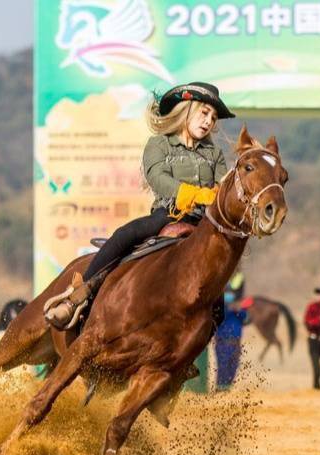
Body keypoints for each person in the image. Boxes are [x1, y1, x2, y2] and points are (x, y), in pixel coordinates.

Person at [44, 82, 235, 329]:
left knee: (217, 309)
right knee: (127, 234)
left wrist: (221, 195)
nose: (209, 121)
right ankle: (77, 296)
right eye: (204, 113)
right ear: (185, 110)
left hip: (204, 225)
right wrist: (192, 194)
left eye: (213, 117)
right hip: (169, 214)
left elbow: (223, 186)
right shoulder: (159, 144)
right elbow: (158, 177)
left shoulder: (215, 153)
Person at [215, 271, 249, 389]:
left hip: (235, 341)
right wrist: (229, 308)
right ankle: (220, 389)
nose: (229, 296)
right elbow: (218, 317)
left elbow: (246, 318)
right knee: (223, 366)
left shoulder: (239, 308)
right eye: (227, 293)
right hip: (222, 341)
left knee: (234, 366)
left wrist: (237, 309)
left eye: (231, 293)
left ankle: (227, 388)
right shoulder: (221, 307)